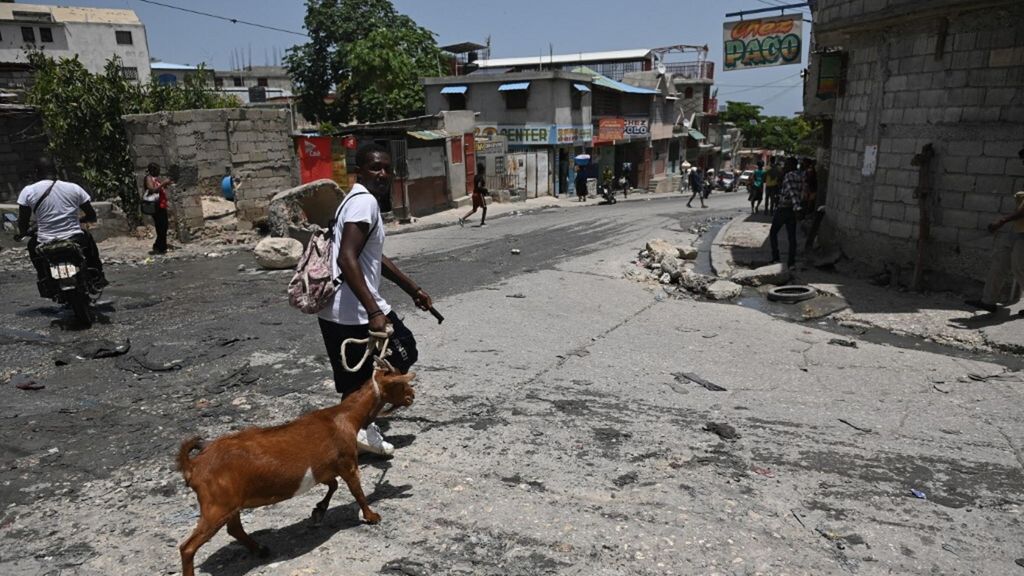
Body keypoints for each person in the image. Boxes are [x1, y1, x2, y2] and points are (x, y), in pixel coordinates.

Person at [318, 142, 433, 457]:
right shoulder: (364, 202)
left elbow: (374, 258)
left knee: (353, 381)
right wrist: (373, 311)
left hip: (337, 310)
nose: (382, 173)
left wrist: (412, 289)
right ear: (360, 171)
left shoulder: (352, 201)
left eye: (386, 168)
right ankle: (362, 427)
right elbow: (347, 258)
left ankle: (350, 433)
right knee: (403, 351)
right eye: (375, 167)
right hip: (353, 310)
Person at [17, 156, 107, 290]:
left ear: (36, 172)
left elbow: (22, 220)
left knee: (32, 246)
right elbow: (91, 215)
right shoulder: (74, 188)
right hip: (74, 238)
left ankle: (44, 279)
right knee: (89, 243)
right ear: (56, 171)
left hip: (45, 240)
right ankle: (97, 275)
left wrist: (23, 232)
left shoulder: (28, 191)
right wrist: (80, 220)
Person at [966, 146, 1024, 314]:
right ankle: (988, 301)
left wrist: (1002, 220)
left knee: (1019, 266)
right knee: (1000, 262)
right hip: (1018, 229)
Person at [769, 157, 803, 267]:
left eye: (787, 164)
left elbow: (793, 193)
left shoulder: (789, 176)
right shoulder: (800, 175)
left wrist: (797, 208)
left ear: (792, 165)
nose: (785, 167)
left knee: (773, 233)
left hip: (785, 209)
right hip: (792, 210)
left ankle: (776, 257)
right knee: (792, 237)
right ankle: (791, 262)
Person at [143, 163, 173, 255]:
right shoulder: (148, 178)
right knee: (161, 226)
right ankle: (160, 247)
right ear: (153, 170)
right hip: (155, 206)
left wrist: (165, 185)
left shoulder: (155, 179)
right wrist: (163, 183)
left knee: (164, 226)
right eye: (157, 170)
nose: (159, 172)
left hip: (161, 205)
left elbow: (159, 189)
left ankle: (160, 245)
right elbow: (152, 190)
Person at [458, 163, 488, 227]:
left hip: (474, 194)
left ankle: (462, 219)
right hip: (479, 195)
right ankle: (482, 222)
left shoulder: (476, 176)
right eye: (484, 170)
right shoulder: (480, 177)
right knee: (485, 208)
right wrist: (485, 190)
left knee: (474, 210)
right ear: (482, 170)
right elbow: (479, 186)